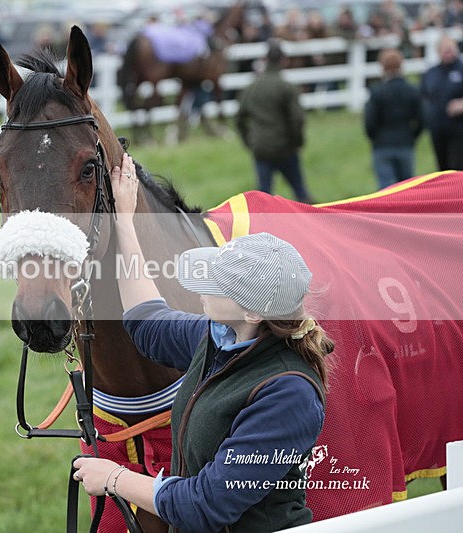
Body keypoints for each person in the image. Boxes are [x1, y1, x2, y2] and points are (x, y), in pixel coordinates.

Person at [72, 154, 333, 532]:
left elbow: (206, 505)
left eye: (217, 283)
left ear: (253, 313)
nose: (201, 288)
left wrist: (114, 478)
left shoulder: (289, 393)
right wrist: (125, 223)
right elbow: (148, 322)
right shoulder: (220, 339)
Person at [236, 39, 313, 203]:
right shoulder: (285, 87)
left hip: (261, 148)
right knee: (300, 192)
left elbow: (239, 119)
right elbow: (297, 119)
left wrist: (249, 141)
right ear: (283, 60)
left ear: (265, 60)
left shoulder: (252, 88)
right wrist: (297, 141)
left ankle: (260, 227)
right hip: (285, 147)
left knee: (263, 197)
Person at [364, 48, 423, 189]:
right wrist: (412, 136)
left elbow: (370, 122)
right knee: (407, 188)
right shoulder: (411, 91)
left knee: (386, 189)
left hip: (382, 144)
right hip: (405, 142)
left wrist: (376, 138)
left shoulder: (377, 92)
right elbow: (422, 119)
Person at [420, 35, 463, 171]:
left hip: (458, 128)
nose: (448, 52)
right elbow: (423, 95)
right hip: (437, 128)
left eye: (450, 49)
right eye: (445, 49)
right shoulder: (432, 73)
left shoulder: (461, 69)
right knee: (442, 169)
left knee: (456, 167)